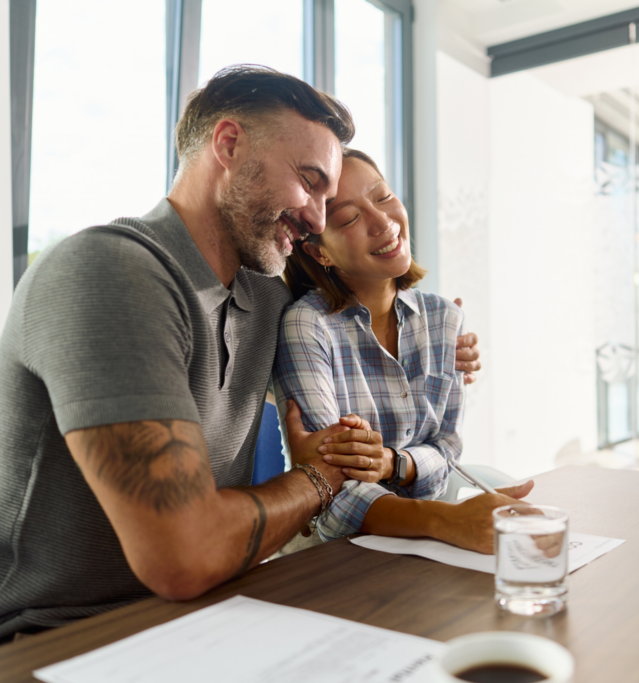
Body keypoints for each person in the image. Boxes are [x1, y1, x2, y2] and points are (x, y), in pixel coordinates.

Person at [0, 65, 484, 641]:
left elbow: (352, 318)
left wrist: (444, 342)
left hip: (216, 614)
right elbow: (186, 555)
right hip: (62, 639)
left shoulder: (265, 296)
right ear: (228, 144)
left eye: (328, 199)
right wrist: (318, 477)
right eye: (309, 181)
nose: (316, 219)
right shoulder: (109, 273)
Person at [275, 149, 531, 553]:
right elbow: (329, 490)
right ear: (319, 252)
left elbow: (447, 450)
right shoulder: (308, 326)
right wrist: (446, 521)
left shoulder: (444, 319)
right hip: (336, 556)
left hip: (430, 545)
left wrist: (394, 463)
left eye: (383, 197)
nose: (383, 222)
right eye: (349, 218)